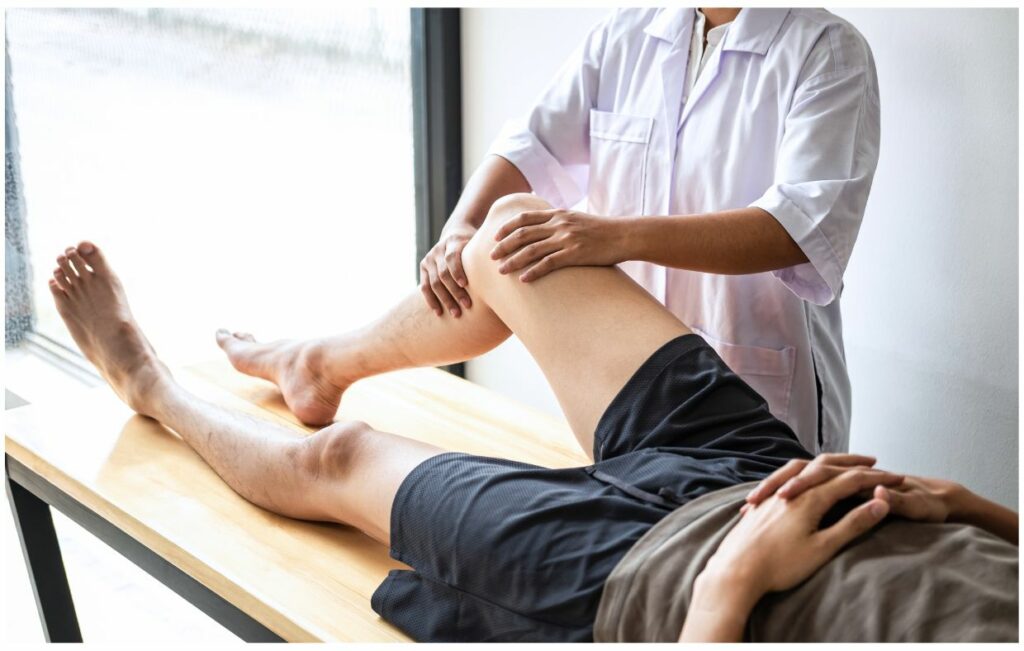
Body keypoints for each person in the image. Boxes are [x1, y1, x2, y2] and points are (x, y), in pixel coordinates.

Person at [46, 193, 1016, 642]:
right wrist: (970, 504)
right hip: (774, 477)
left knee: (340, 460)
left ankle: (148, 385)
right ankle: (317, 362)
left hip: (655, 581)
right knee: (514, 244)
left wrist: (733, 582)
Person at [418, 8, 881, 455]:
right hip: (623, 388)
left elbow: (796, 229)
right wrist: (463, 224)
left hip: (757, 394)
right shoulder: (624, 33)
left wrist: (614, 237)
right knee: (508, 233)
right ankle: (345, 364)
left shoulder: (828, 51)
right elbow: (534, 145)